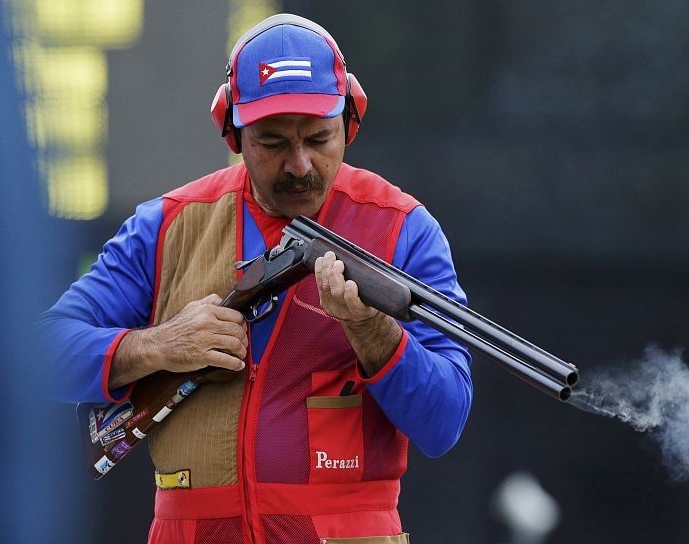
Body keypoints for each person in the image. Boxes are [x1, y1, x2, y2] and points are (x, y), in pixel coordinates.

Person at [41, 13, 472, 544]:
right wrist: (159, 346)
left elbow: (444, 423)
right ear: (233, 132)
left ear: (350, 124)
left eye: (319, 137)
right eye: (272, 142)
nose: (299, 164)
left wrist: (371, 330)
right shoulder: (166, 224)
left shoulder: (404, 227)